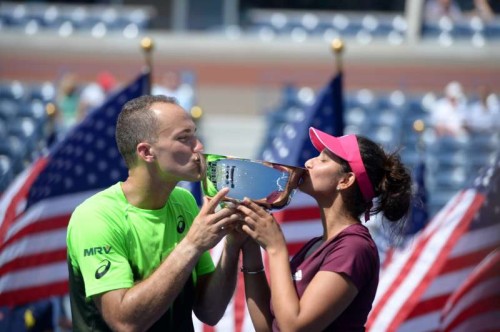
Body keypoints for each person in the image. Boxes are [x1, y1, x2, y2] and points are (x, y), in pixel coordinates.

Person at [66, 95, 245, 331]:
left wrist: (233, 244)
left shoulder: (184, 202)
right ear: (146, 152)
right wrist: (192, 245)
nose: (199, 147)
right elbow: (124, 322)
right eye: (184, 138)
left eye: (195, 134)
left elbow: (209, 311)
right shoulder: (95, 217)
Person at [236, 127, 412, 331]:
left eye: (324, 160)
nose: (308, 163)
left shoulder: (354, 247)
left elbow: (294, 327)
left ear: (345, 180)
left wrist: (276, 248)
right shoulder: (317, 245)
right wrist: (250, 246)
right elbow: (268, 328)